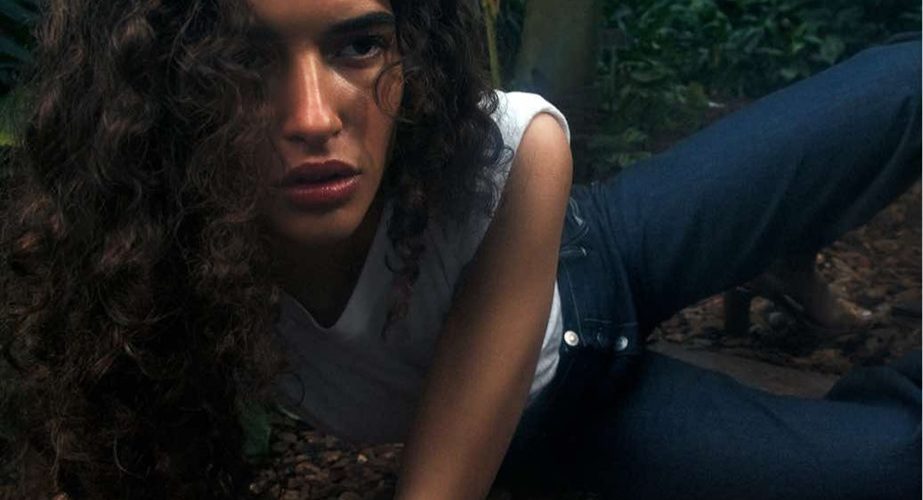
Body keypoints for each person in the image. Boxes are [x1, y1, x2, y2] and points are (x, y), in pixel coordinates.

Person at [0, 1, 918, 499]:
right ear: (161, 92)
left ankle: (774, 249)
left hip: (600, 246)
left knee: (905, 80)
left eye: (361, 45)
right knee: (890, 469)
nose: (313, 118)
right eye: (241, 64)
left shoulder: (504, 153)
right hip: (561, 420)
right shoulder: (146, 262)